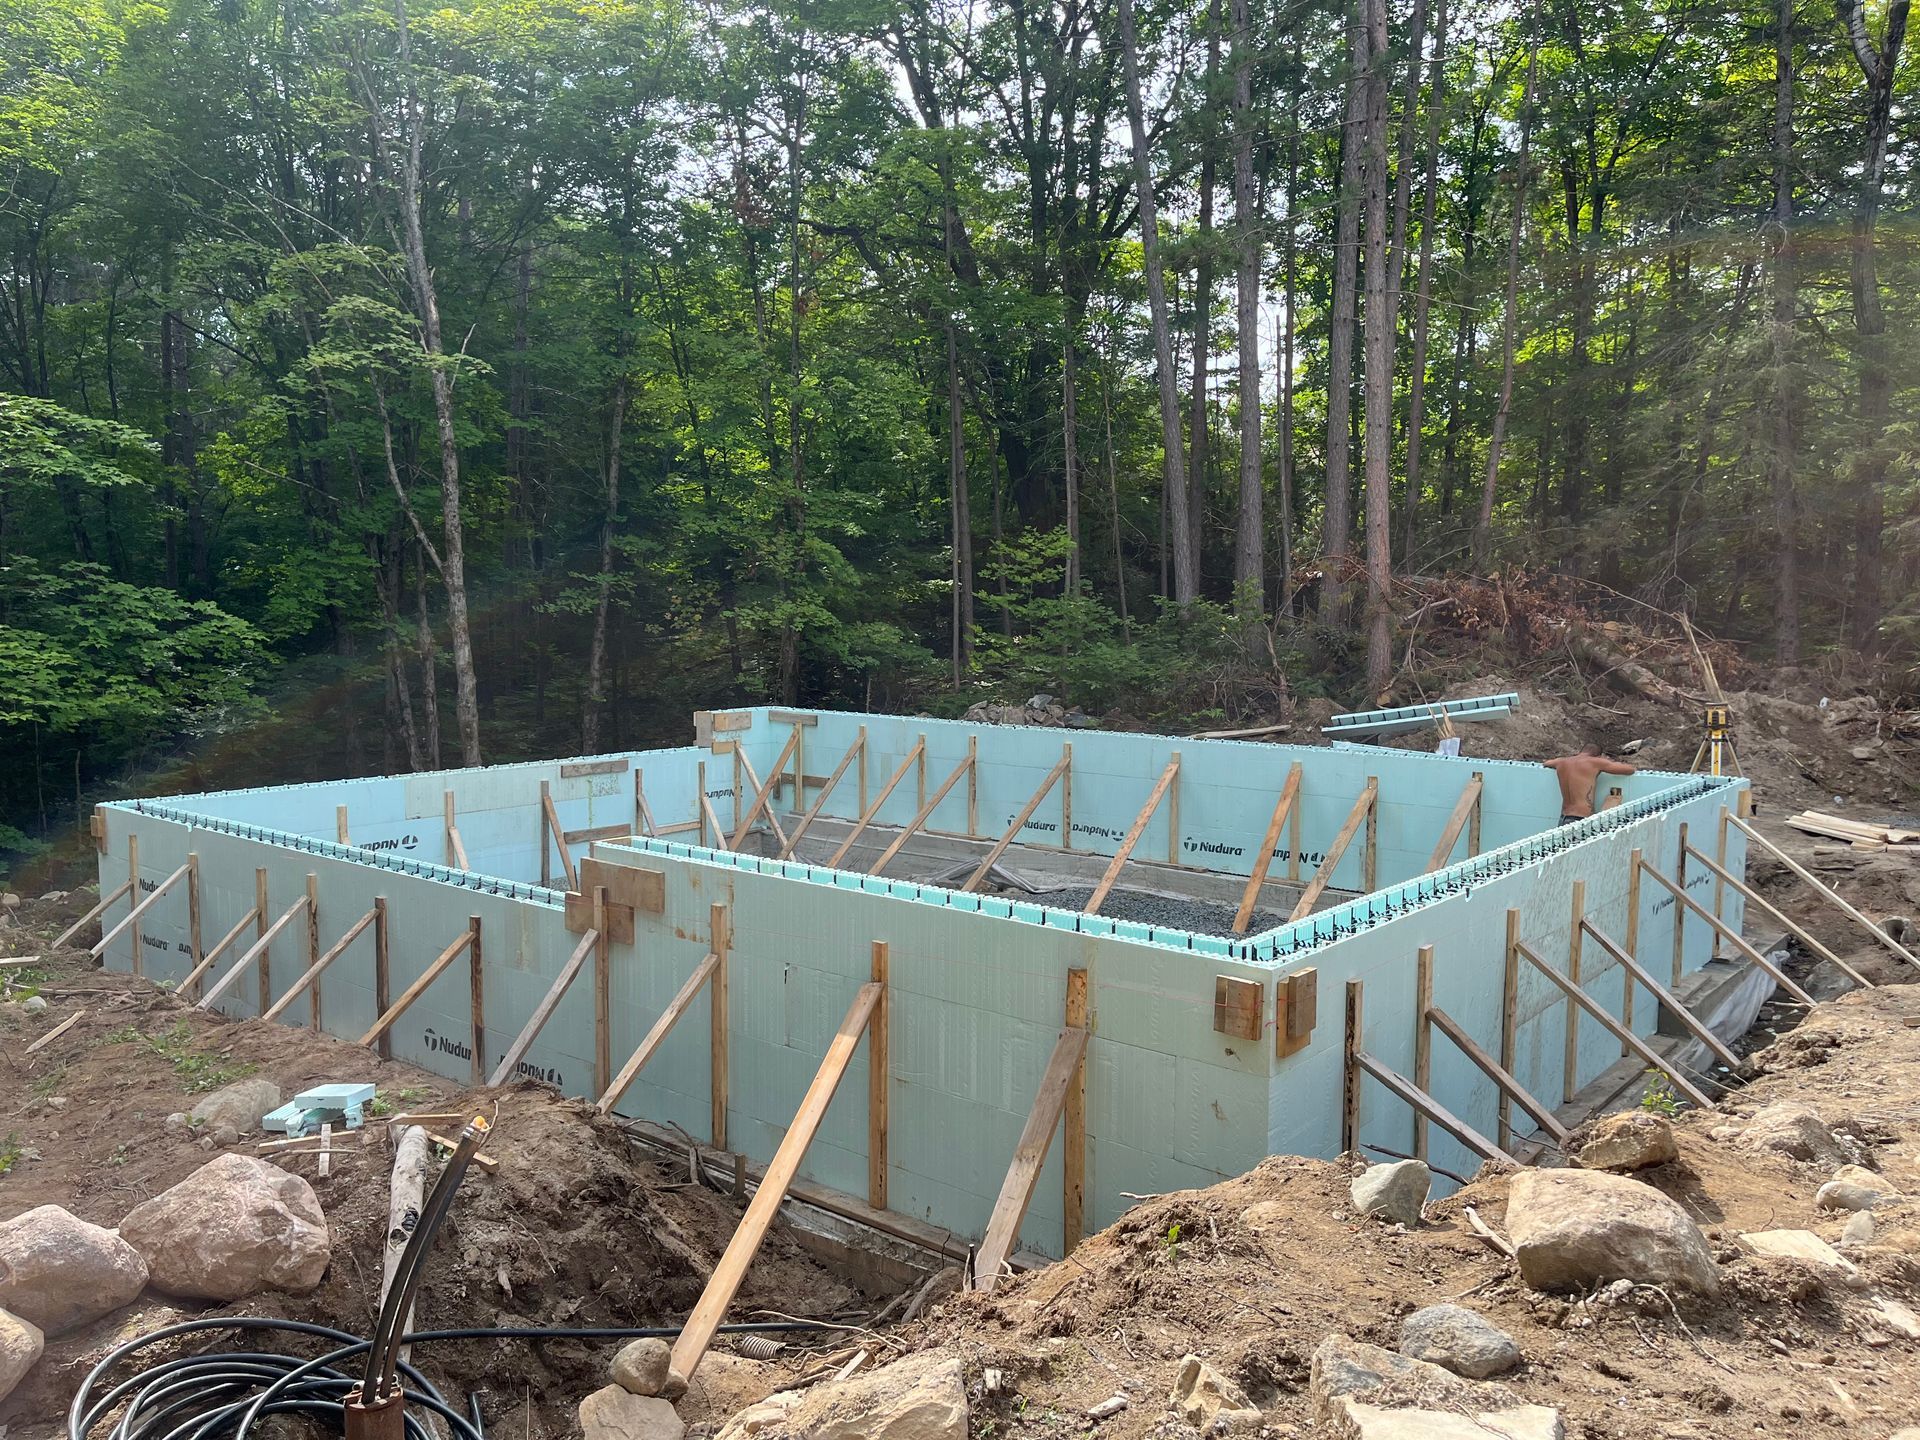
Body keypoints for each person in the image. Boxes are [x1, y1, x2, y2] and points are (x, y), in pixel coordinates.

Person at [1543, 744, 1636, 825]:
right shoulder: (1595, 762)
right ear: (1598, 756)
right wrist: (1606, 761)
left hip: (1564, 818)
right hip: (1580, 820)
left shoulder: (1561, 762)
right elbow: (1630, 770)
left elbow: (1546, 763)